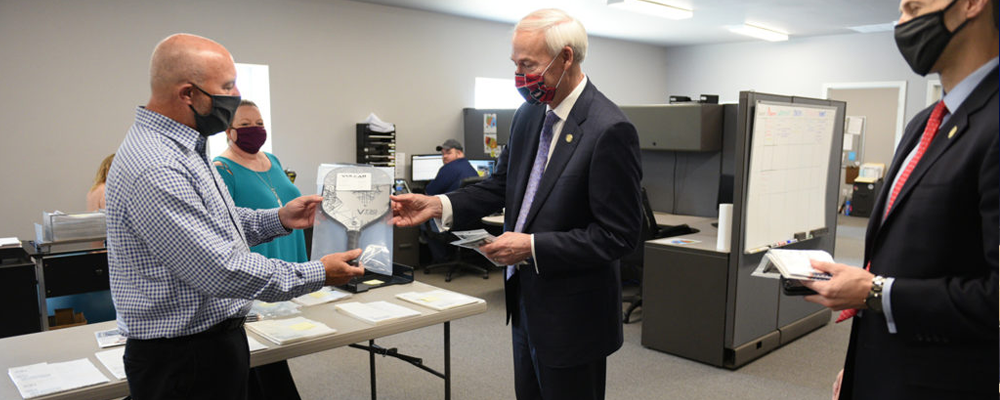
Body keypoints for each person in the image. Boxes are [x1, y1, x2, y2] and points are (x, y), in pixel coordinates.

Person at [392, 9, 642, 400]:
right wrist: (438, 204)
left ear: (566, 58)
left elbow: (619, 236)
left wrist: (532, 246)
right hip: (526, 299)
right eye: (515, 63)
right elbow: (502, 185)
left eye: (529, 64)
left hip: (574, 315)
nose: (519, 76)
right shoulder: (529, 115)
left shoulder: (609, 129)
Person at [105, 33, 365, 400]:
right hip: (184, 356)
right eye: (227, 87)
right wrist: (320, 272)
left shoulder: (184, 146)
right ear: (187, 94)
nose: (236, 96)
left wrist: (279, 219)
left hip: (207, 343)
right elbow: (220, 268)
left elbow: (214, 225)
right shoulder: (158, 166)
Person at [801, 0, 998, 398]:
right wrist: (859, 365)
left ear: (973, 5)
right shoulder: (926, 122)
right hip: (886, 366)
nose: (902, 22)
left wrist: (875, 291)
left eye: (914, 7)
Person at [212, 100, 306, 399]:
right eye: (246, 125)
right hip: (261, 260)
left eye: (259, 123)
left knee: (287, 336)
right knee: (262, 344)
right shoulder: (222, 168)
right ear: (230, 131)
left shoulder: (272, 160)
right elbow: (227, 227)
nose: (256, 130)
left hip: (290, 248)